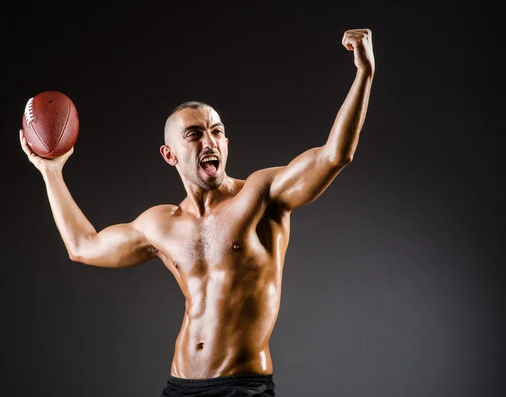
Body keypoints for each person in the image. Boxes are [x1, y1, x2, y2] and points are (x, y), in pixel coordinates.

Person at [19, 28, 375, 397]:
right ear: (169, 154)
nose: (209, 141)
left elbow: (335, 155)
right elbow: (83, 245)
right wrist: (51, 172)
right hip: (179, 387)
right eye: (194, 134)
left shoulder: (261, 195)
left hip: (242, 387)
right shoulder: (160, 224)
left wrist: (364, 74)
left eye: (216, 131)